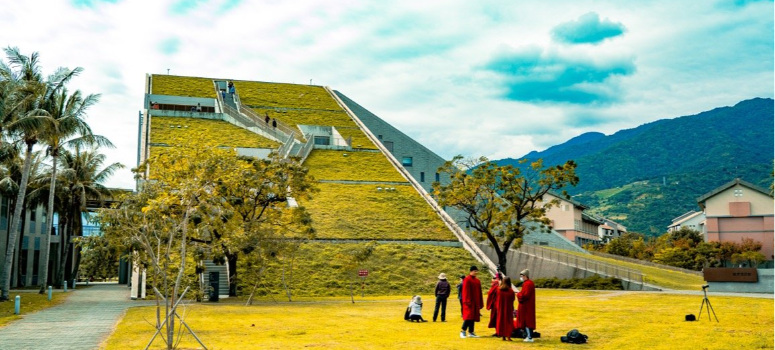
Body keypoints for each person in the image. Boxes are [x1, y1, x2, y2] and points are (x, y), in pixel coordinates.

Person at [460, 265, 483, 339]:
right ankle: (463, 331)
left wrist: (480, 302)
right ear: (471, 271)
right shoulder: (467, 279)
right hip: (469, 302)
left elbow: (480, 292)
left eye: (477, 271)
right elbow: (465, 291)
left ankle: (471, 332)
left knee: (473, 317)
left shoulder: (477, 281)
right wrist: (467, 301)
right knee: (468, 316)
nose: (476, 272)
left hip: (475, 302)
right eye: (474, 271)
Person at [516, 269, 536, 343]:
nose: (521, 277)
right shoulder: (529, 283)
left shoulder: (527, 284)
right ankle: (529, 335)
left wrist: (518, 294)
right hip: (528, 305)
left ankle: (529, 337)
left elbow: (525, 295)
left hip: (526, 306)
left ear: (525, 276)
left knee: (527, 320)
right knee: (528, 320)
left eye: (522, 276)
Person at [496, 277, 515, 341]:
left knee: (501, 321)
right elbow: (513, 299)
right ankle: (508, 336)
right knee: (508, 321)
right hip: (508, 308)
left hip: (501, 308)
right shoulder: (511, 291)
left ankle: (503, 336)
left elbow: (497, 299)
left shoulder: (499, 290)